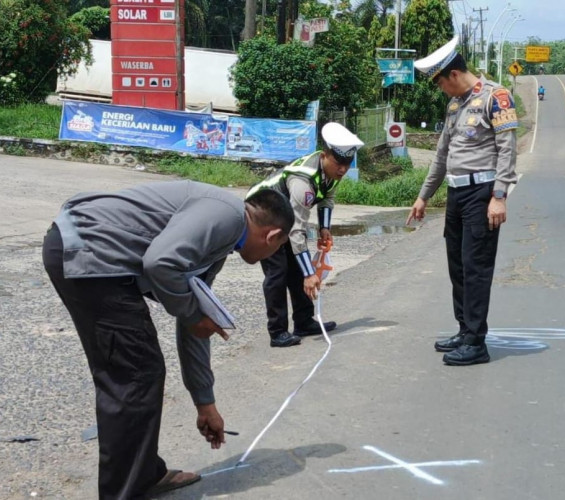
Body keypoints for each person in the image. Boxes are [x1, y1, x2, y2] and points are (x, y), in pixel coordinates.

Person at [42, 181, 294, 499]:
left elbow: (194, 322)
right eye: (276, 248)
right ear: (272, 236)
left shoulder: (216, 244)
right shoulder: (227, 216)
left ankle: (143, 475)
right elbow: (160, 263)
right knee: (134, 376)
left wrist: (206, 404)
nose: (268, 258)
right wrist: (193, 314)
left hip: (87, 251)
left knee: (140, 371)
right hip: (90, 253)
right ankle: (126, 491)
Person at [406, 36, 518, 366]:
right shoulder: (455, 105)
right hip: (456, 194)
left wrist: (499, 197)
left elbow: (507, 150)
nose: (441, 89)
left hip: (482, 195)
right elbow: (442, 155)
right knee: (458, 265)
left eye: (440, 83)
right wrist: (423, 196)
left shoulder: (495, 98)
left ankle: (476, 341)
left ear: (453, 75)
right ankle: (463, 328)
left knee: (476, 266)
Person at [248, 122, 364, 348]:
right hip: (260, 218)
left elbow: (328, 198)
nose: (342, 169)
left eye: (347, 165)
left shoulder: (330, 172)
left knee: (296, 267)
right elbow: (296, 230)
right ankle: (278, 331)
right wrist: (311, 274)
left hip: (283, 217)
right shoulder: (303, 182)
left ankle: (303, 321)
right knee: (278, 272)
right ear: (325, 156)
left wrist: (325, 228)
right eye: (339, 163)